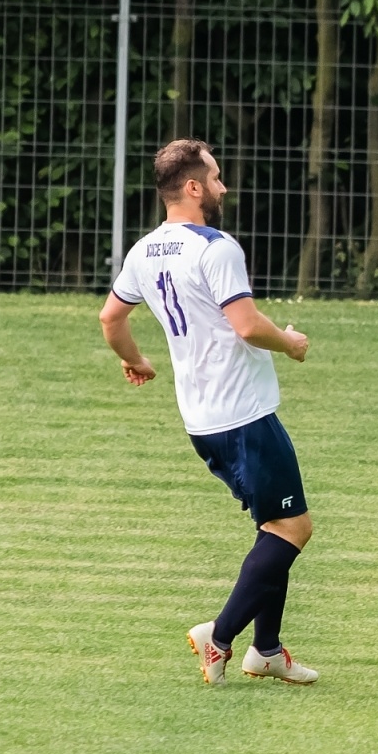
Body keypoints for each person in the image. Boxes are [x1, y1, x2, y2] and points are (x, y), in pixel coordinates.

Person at [98, 139, 318, 687]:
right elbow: (246, 325)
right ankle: (219, 638)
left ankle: (265, 650)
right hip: (244, 415)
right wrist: (289, 342)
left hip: (202, 420)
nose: (222, 188)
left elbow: (111, 317)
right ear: (193, 187)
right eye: (216, 178)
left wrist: (137, 361)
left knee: (273, 525)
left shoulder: (143, 251)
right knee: (293, 529)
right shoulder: (216, 247)